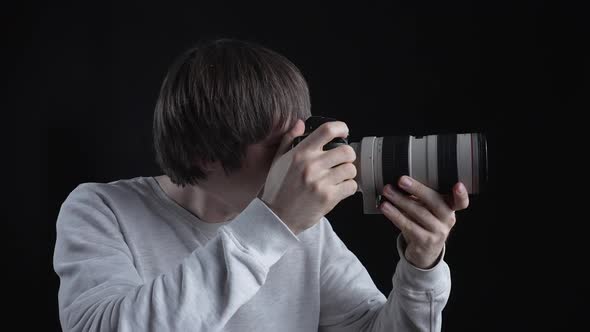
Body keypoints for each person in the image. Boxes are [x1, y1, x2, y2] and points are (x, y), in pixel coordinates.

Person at [54, 38, 469, 331]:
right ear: (206, 156)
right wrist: (273, 222)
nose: (299, 161)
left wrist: (422, 266)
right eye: (279, 146)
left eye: (299, 137)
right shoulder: (101, 210)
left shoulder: (304, 230)